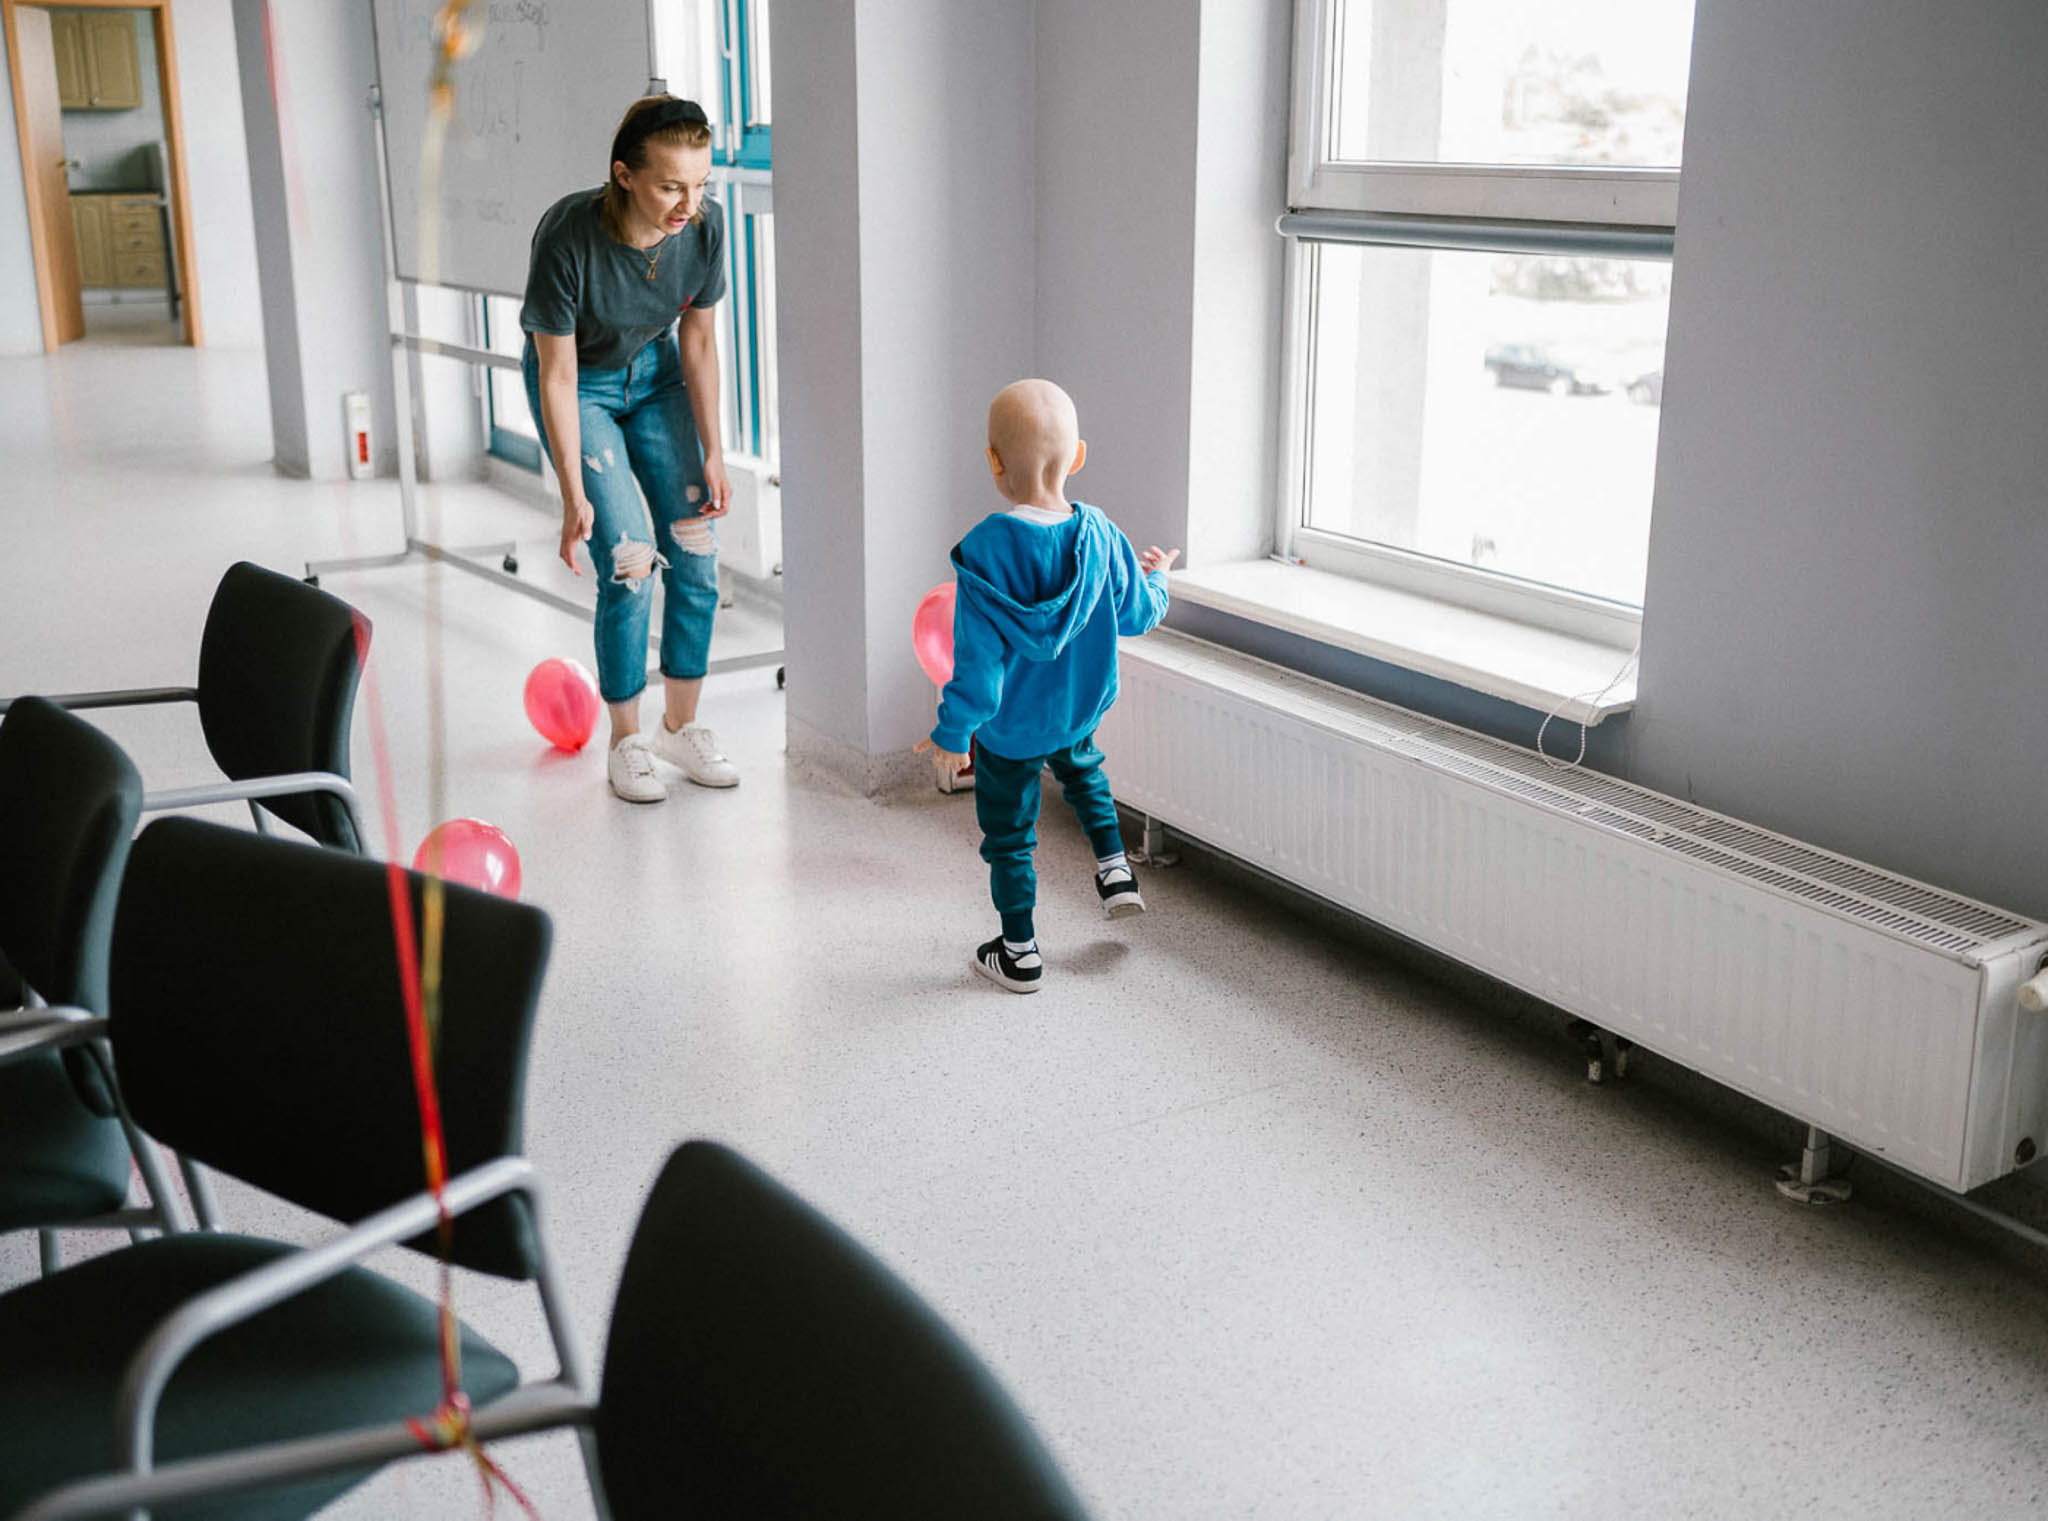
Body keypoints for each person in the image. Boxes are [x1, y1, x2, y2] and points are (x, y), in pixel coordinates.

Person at [918, 380, 1180, 993]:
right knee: (1084, 775)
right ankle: (1115, 870)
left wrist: (952, 735)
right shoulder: (1102, 536)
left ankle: (1019, 954)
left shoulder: (984, 553)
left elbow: (978, 669)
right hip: (1077, 709)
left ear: (994, 462)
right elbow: (1138, 615)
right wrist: (1161, 578)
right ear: (1078, 456)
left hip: (1011, 729)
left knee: (1010, 835)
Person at [520, 94, 740, 802]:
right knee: (630, 560)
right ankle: (627, 741)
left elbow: (697, 341)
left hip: (657, 375)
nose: (689, 203)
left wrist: (713, 448)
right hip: (580, 383)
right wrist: (572, 494)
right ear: (624, 175)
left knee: (696, 550)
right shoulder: (568, 235)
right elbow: (556, 374)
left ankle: (680, 726)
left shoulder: (704, 230)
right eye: (671, 186)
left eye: (700, 183)